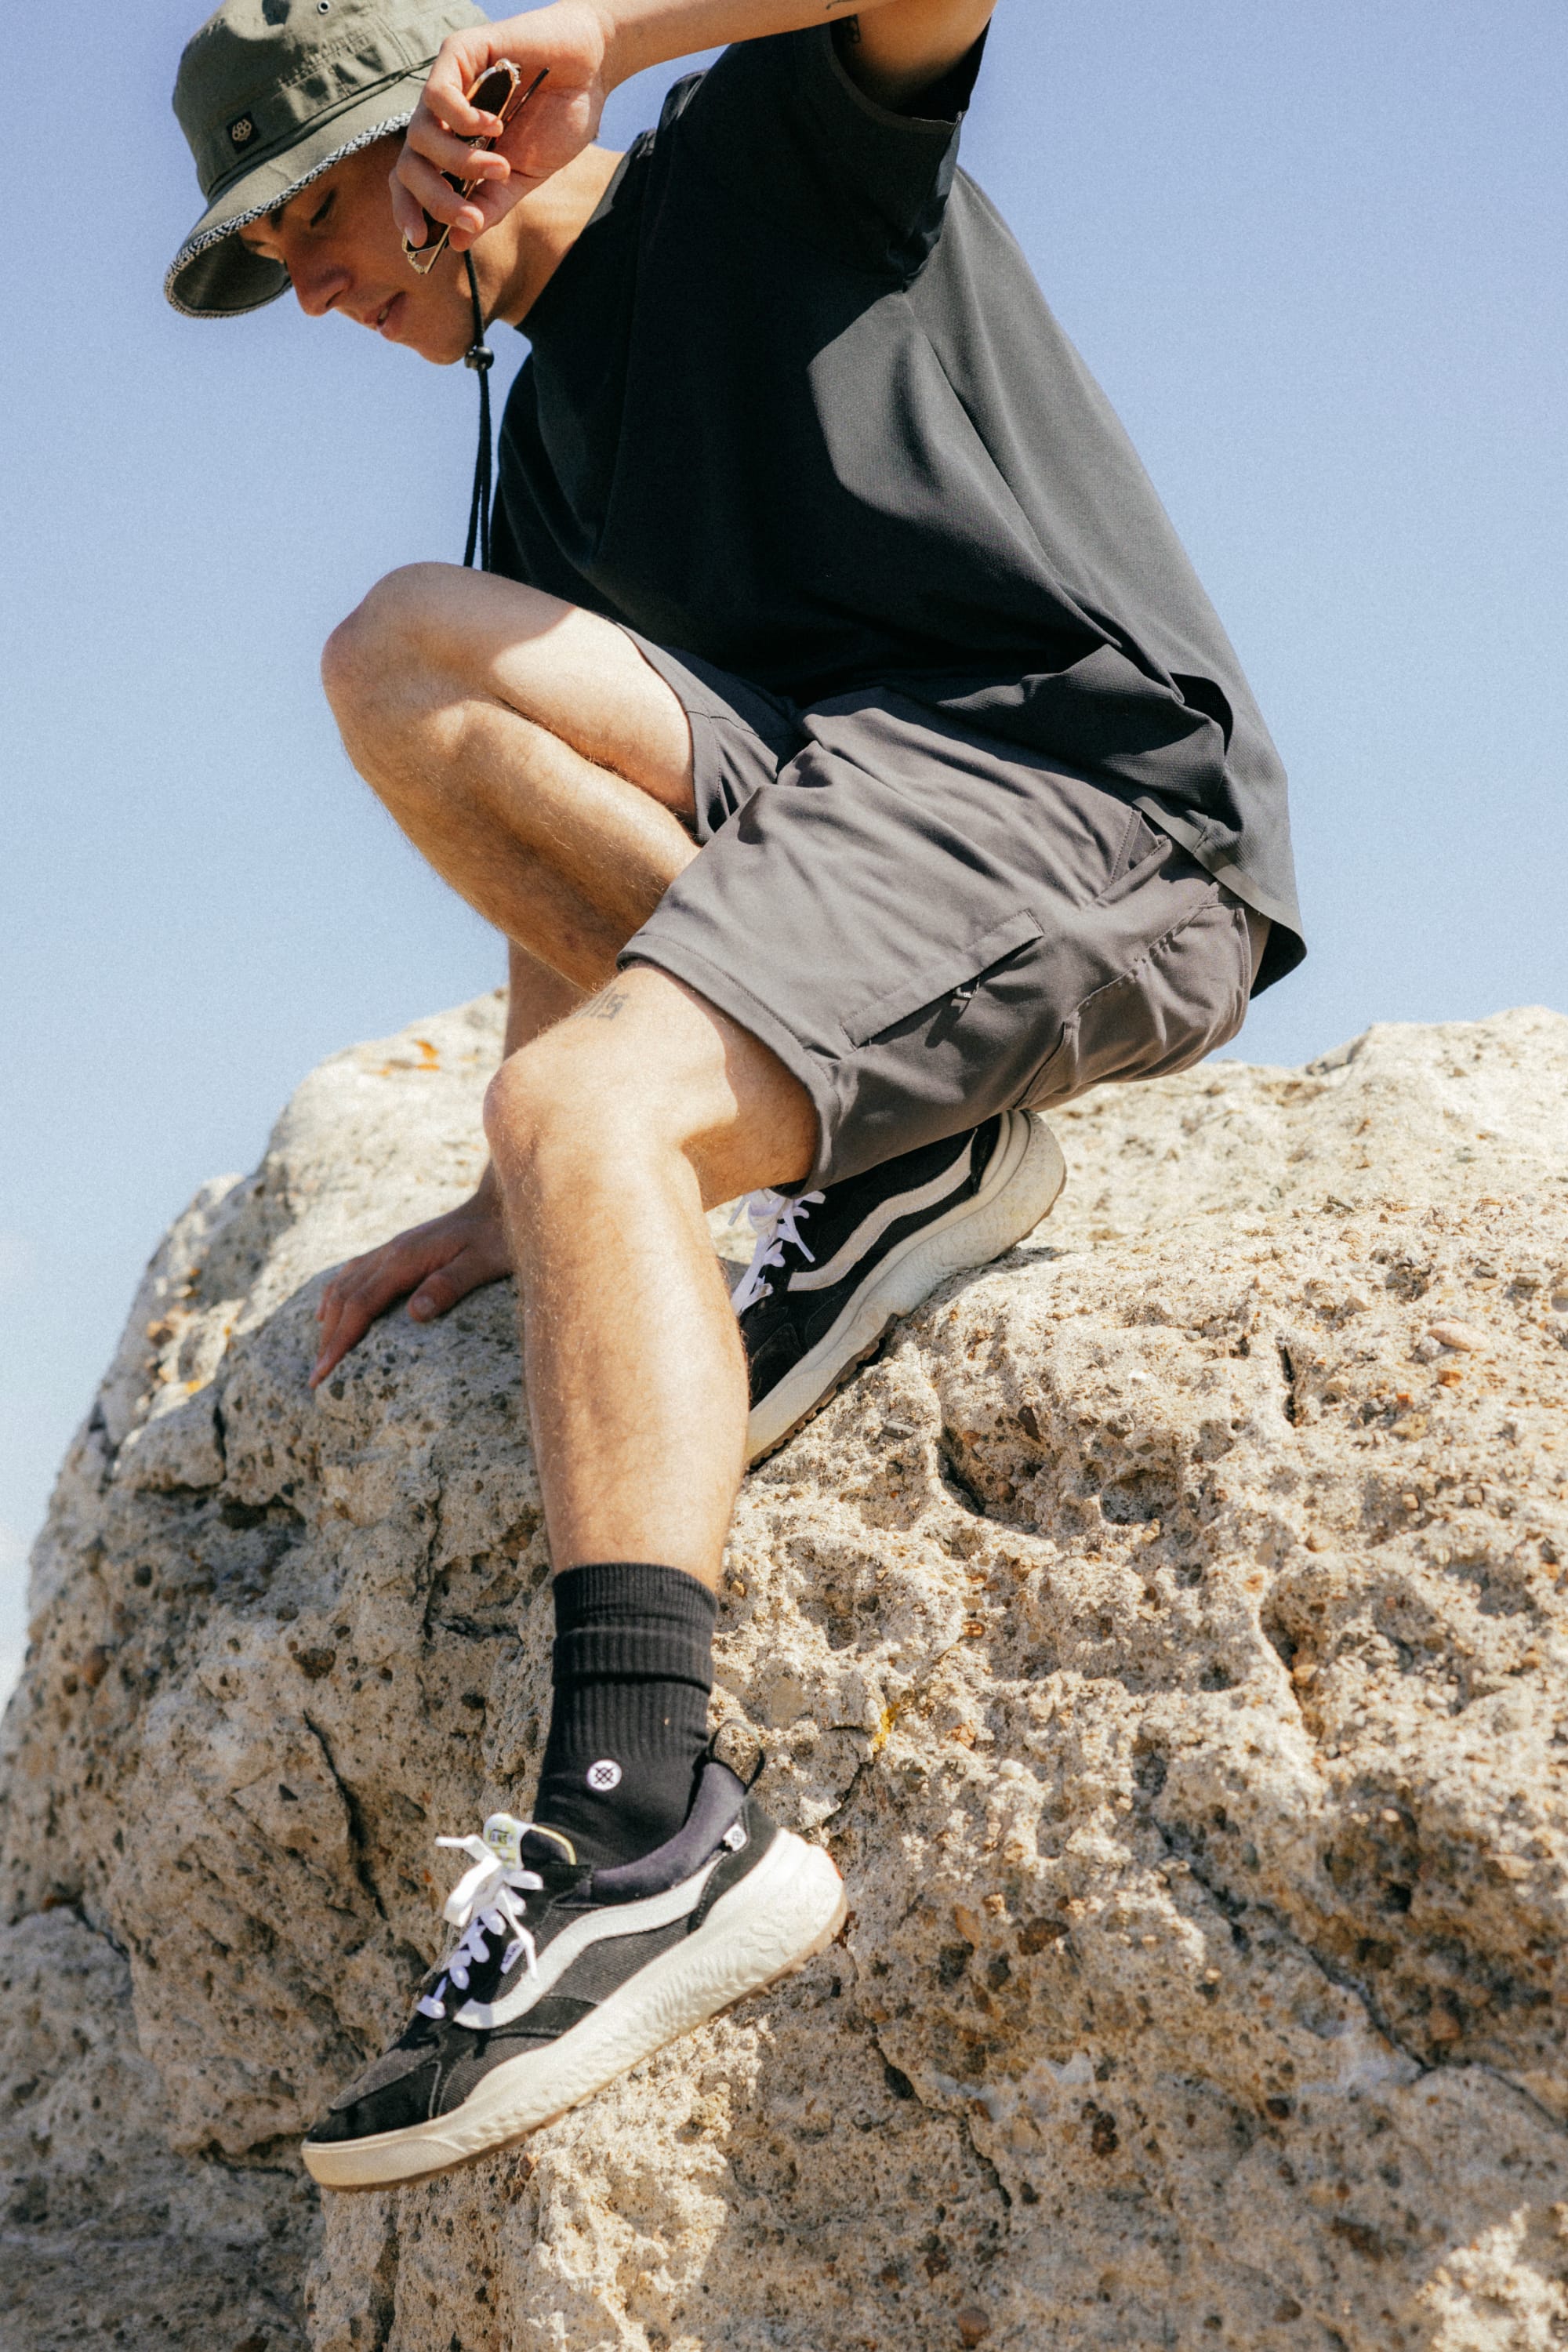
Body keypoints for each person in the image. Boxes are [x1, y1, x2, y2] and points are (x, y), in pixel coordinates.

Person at [167, 0, 1301, 2189]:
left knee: (596, 1113)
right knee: (405, 652)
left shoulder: (763, 153)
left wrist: (596, 24)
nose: (305, 288)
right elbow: (547, 900)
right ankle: (899, 1136)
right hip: (848, 844)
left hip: (1075, 813)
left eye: (309, 220)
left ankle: (645, 1821)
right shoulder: (544, 455)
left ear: (450, 134)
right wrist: (514, 1186)